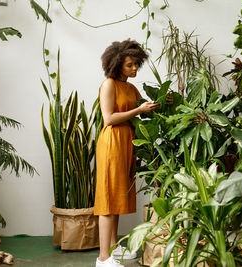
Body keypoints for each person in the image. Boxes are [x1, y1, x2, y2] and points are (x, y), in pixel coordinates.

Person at [94, 40, 160, 267]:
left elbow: (143, 109)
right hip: (112, 143)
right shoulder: (108, 84)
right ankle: (103, 258)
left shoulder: (131, 88)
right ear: (116, 64)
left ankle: (113, 248)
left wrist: (159, 104)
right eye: (129, 65)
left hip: (127, 143)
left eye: (136, 65)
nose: (134, 69)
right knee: (108, 199)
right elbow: (109, 118)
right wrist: (139, 109)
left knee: (119, 196)